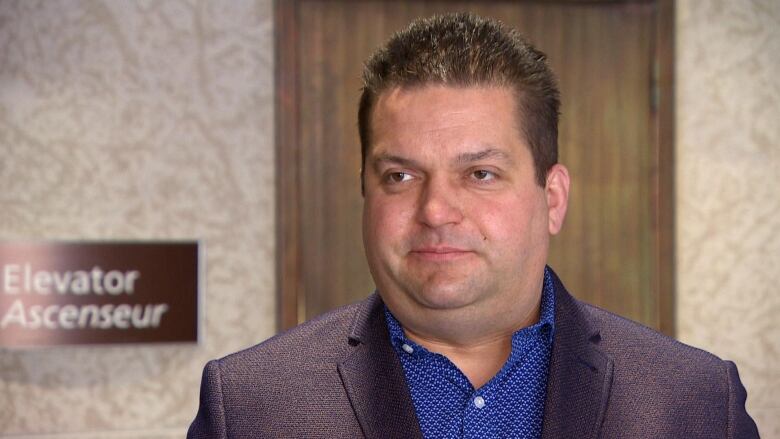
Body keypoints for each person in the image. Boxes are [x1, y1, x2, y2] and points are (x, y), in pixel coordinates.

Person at [188, 13, 759, 438]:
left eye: (480, 173)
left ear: (553, 198)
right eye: (401, 177)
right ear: (365, 191)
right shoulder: (249, 406)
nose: (436, 210)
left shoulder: (697, 403)